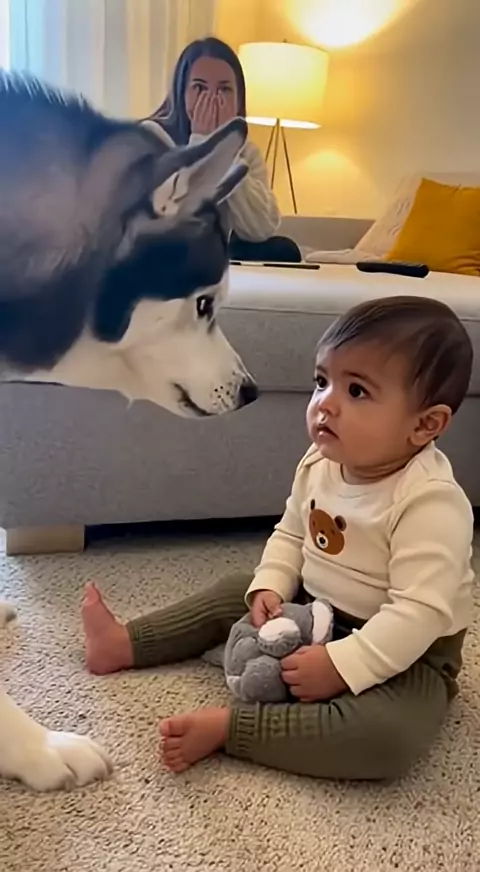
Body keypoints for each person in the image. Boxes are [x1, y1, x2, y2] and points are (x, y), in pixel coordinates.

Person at [82, 295, 474, 781]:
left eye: (356, 391)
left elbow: (418, 613)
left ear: (425, 425)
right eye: (321, 381)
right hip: (315, 606)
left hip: (411, 650)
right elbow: (291, 532)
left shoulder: (431, 503)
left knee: (388, 738)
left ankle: (234, 729)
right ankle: (126, 643)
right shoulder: (320, 462)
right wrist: (271, 585)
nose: (325, 403)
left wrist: (343, 663)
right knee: (237, 590)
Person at [146, 36, 302, 263]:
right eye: (200, 88)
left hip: (213, 253)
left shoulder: (247, 153)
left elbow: (261, 229)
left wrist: (227, 151)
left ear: (238, 100)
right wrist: (202, 145)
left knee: (283, 250)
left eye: (225, 89)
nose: (212, 99)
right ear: (182, 93)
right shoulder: (151, 138)